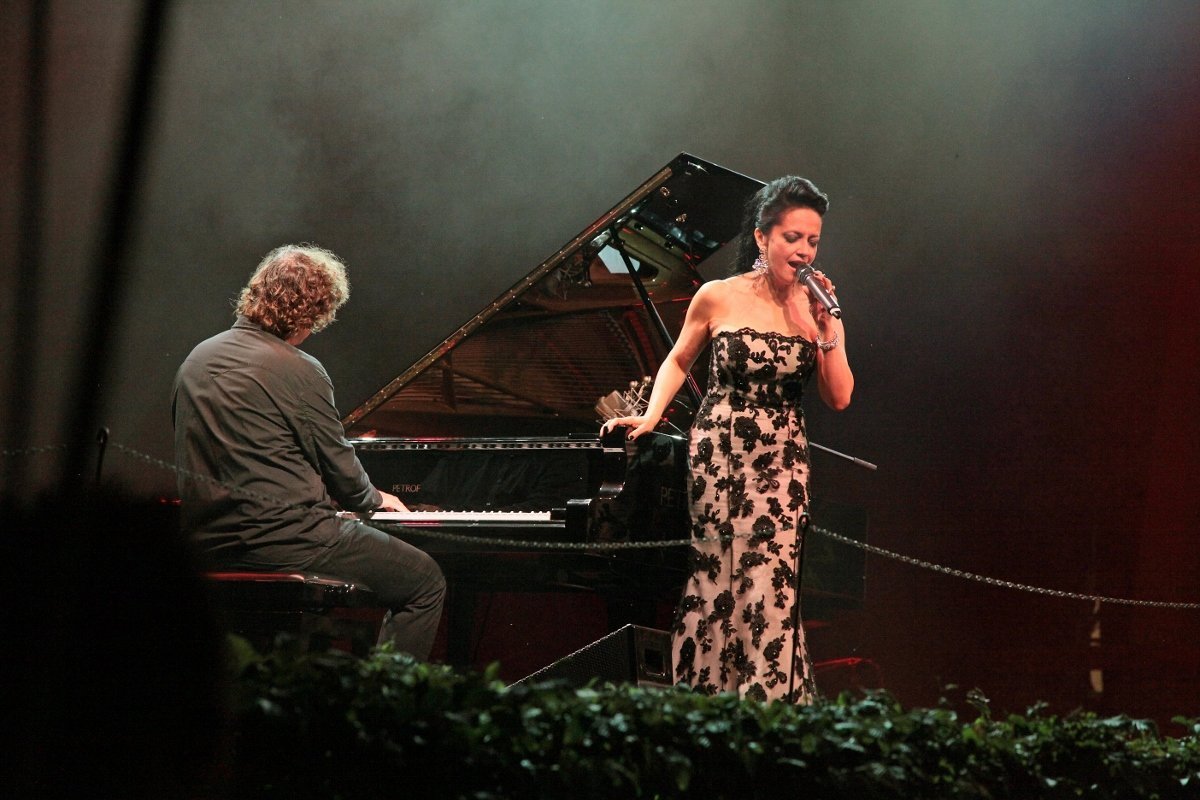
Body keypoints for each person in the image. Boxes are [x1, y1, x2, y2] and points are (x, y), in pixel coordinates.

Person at [601, 176, 853, 703]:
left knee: (770, 588)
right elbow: (678, 359)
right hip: (719, 456)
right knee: (716, 578)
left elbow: (839, 397)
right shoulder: (718, 295)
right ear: (762, 237)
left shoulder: (817, 309)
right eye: (792, 238)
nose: (804, 251)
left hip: (782, 466)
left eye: (812, 241)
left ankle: (770, 715)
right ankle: (705, 708)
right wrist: (651, 416)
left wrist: (828, 328)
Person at [173, 244, 445, 659]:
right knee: (425, 581)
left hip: (208, 544)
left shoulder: (196, 360)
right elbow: (344, 477)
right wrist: (375, 499)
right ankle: (382, 696)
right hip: (289, 541)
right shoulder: (300, 369)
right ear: (310, 314)